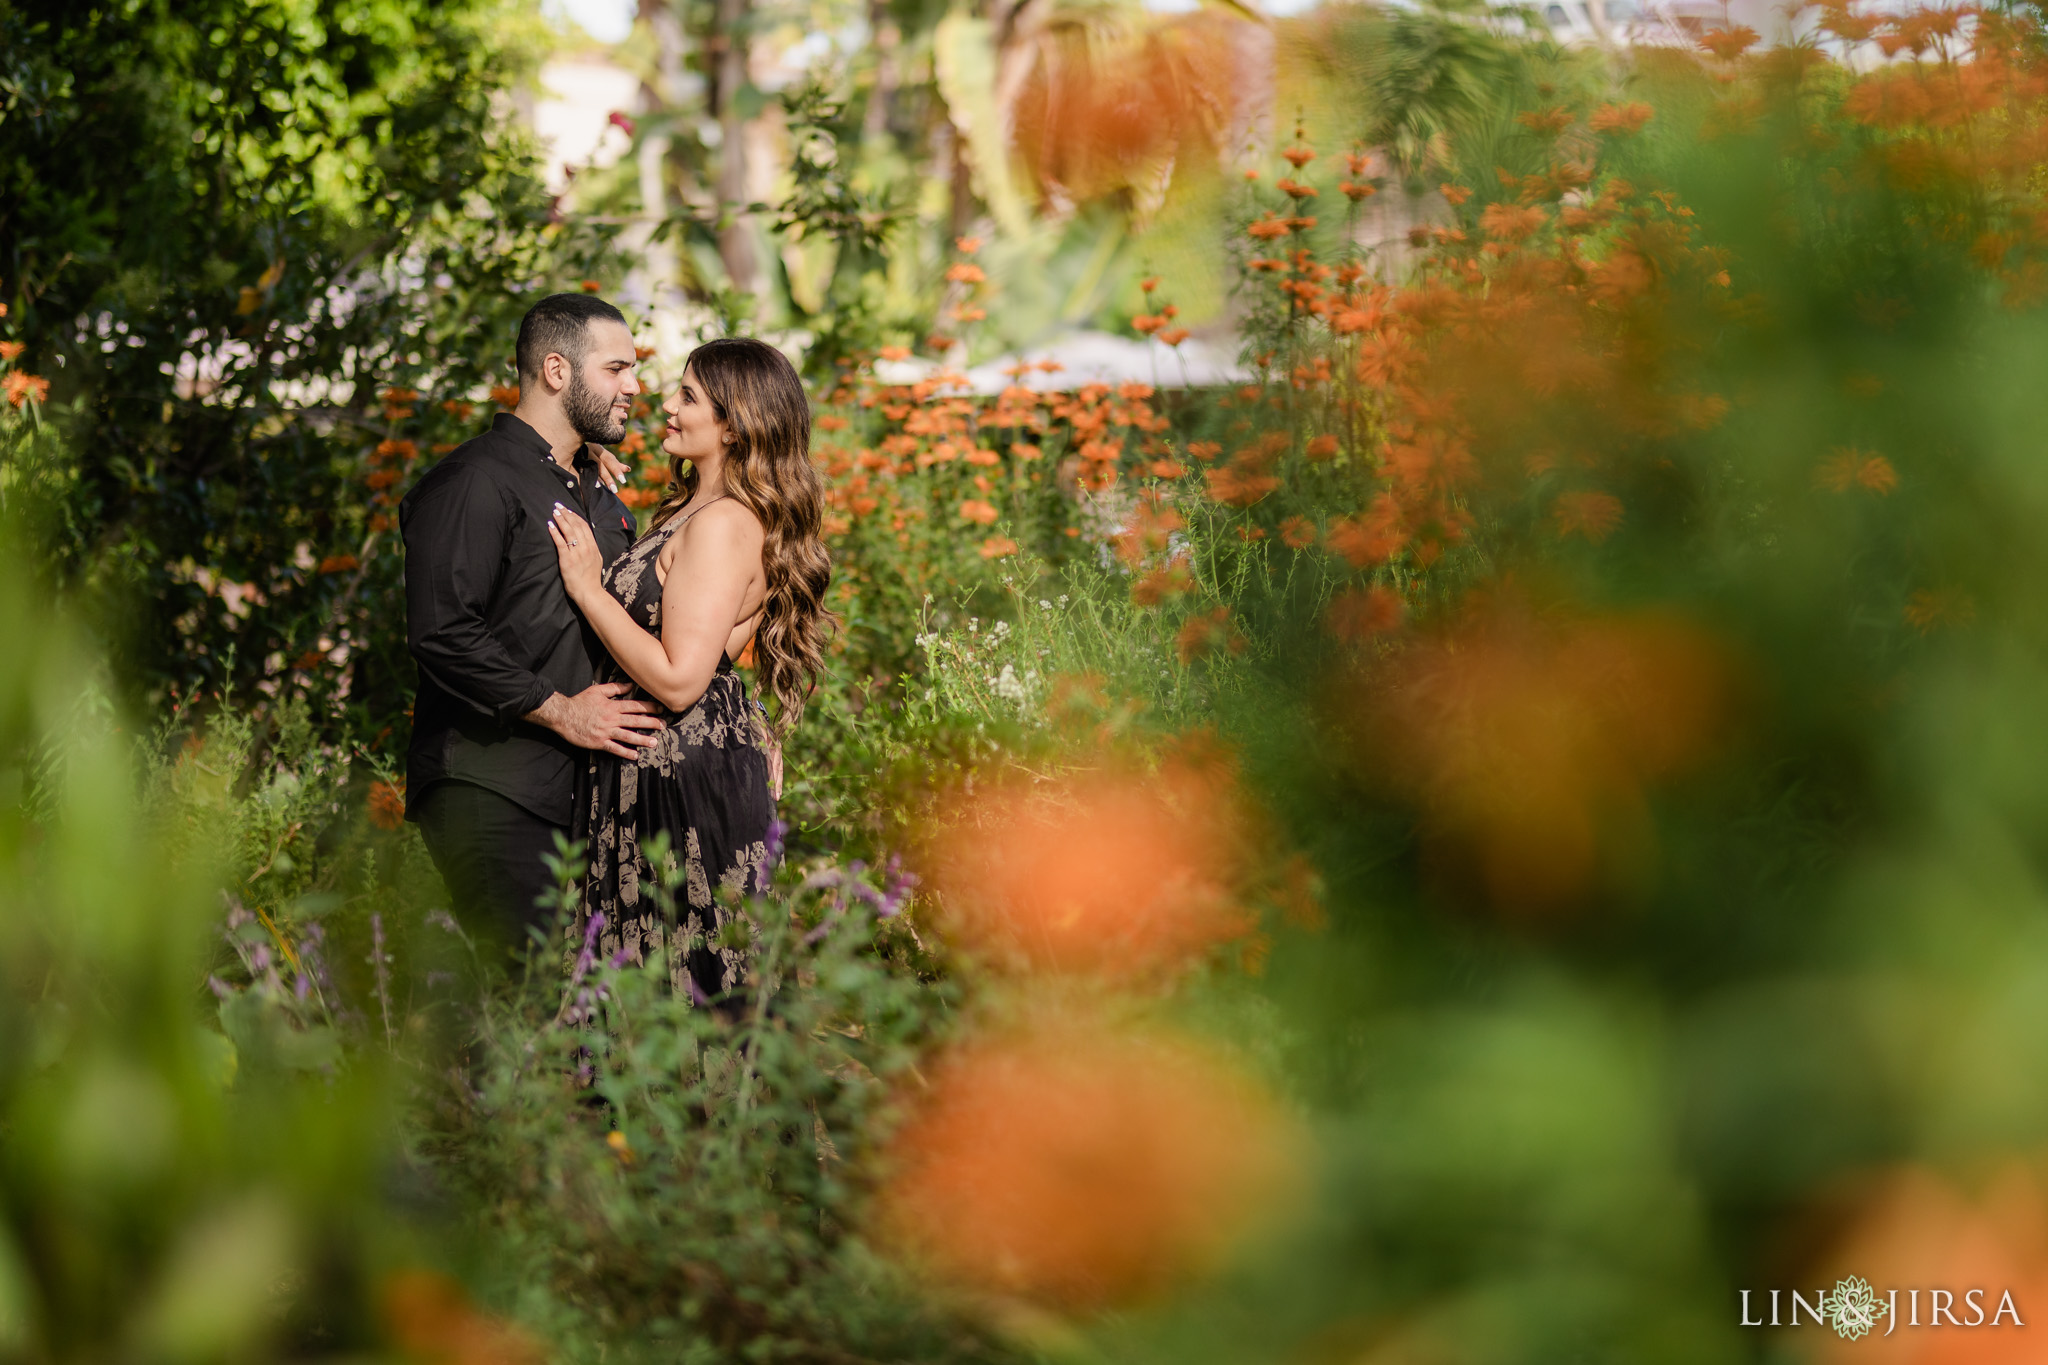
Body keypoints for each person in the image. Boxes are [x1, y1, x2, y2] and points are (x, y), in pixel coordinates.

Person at [544, 337, 831, 1008]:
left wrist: (589, 588)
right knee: (660, 983)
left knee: (693, 985)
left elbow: (680, 678)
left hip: (685, 781)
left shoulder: (725, 524)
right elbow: (721, 650)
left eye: (688, 397)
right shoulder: (691, 512)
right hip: (661, 767)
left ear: (734, 423)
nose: (665, 406)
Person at [401, 293, 662, 957]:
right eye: (616, 368)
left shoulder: (595, 490)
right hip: (492, 784)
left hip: (580, 789)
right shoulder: (472, 481)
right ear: (555, 371)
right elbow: (443, 631)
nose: (635, 386)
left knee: (571, 1019)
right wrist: (561, 713)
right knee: (523, 1004)